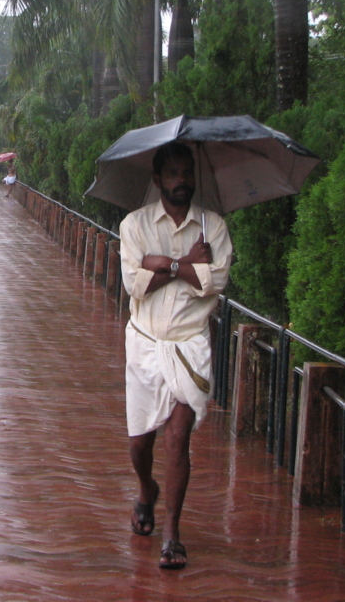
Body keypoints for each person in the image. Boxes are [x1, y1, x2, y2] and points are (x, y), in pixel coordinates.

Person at [118, 141, 232, 570]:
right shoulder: (135, 224)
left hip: (190, 344)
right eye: (172, 174)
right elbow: (135, 283)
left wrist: (160, 265)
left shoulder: (214, 227)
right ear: (157, 179)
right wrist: (186, 263)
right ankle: (147, 489)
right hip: (145, 343)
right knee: (139, 445)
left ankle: (172, 533)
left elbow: (214, 282)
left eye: (187, 173)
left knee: (178, 435)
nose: (181, 181)